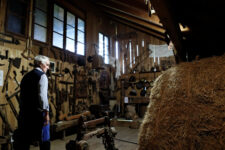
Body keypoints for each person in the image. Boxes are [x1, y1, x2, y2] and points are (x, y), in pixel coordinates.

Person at [14, 55, 50, 150]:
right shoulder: (42, 76)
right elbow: (42, 98)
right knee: (45, 140)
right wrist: (46, 113)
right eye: (47, 65)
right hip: (38, 114)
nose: (48, 67)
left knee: (25, 141)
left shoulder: (25, 76)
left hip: (25, 114)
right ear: (41, 64)